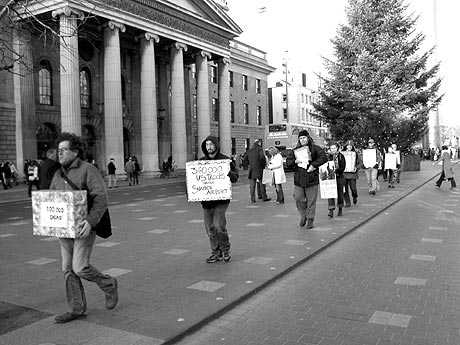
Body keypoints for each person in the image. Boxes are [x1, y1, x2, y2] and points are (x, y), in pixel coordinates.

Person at [50, 132, 118, 323]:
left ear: (75, 152)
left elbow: (101, 198)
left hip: (83, 227)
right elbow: (53, 199)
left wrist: (90, 222)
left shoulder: (88, 170)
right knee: (67, 268)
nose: (60, 154)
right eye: (58, 150)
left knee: (79, 267)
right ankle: (76, 309)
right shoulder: (57, 173)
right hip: (63, 229)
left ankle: (109, 284)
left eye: (64, 150)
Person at [199, 136, 239, 263]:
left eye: (211, 144)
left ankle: (225, 250)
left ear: (216, 145)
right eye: (207, 145)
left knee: (218, 225)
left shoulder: (225, 160)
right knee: (209, 228)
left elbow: (235, 177)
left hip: (221, 200)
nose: (209, 147)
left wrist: (229, 173)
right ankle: (215, 252)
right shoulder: (200, 162)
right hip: (206, 201)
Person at [293, 130, 327, 229]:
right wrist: (295, 161)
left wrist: (314, 165)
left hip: (311, 179)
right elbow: (289, 163)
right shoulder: (296, 150)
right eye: (300, 138)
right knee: (298, 198)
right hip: (299, 179)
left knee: (311, 201)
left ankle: (310, 220)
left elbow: (323, 157)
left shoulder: (315, 148)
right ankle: (303, 215)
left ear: (308, 138)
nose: (302, 140)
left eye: (304, 138)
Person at [326, 143, 346, 217]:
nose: (333, 149)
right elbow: (325, 166)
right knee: (330, 193)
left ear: (337, 148)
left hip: (339, 176)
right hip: (331, 177)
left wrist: (336, 171)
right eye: (332, 148)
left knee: (340, 193)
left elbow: (343, 167)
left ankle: (340, 208)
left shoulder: (341, 156)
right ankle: (331, 209)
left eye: (334, 148)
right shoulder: (328, 157)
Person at [342, 140, 360, 207]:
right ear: (346, 146)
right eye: (348, 145)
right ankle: (347, 202)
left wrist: (356, 167)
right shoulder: (342, 153)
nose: (349, 147)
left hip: (352, 174)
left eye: (350, 145)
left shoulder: (355, 153)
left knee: (353, 188)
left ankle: (354, 196)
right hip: (344, 174)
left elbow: (360, 163)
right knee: (344, 189)